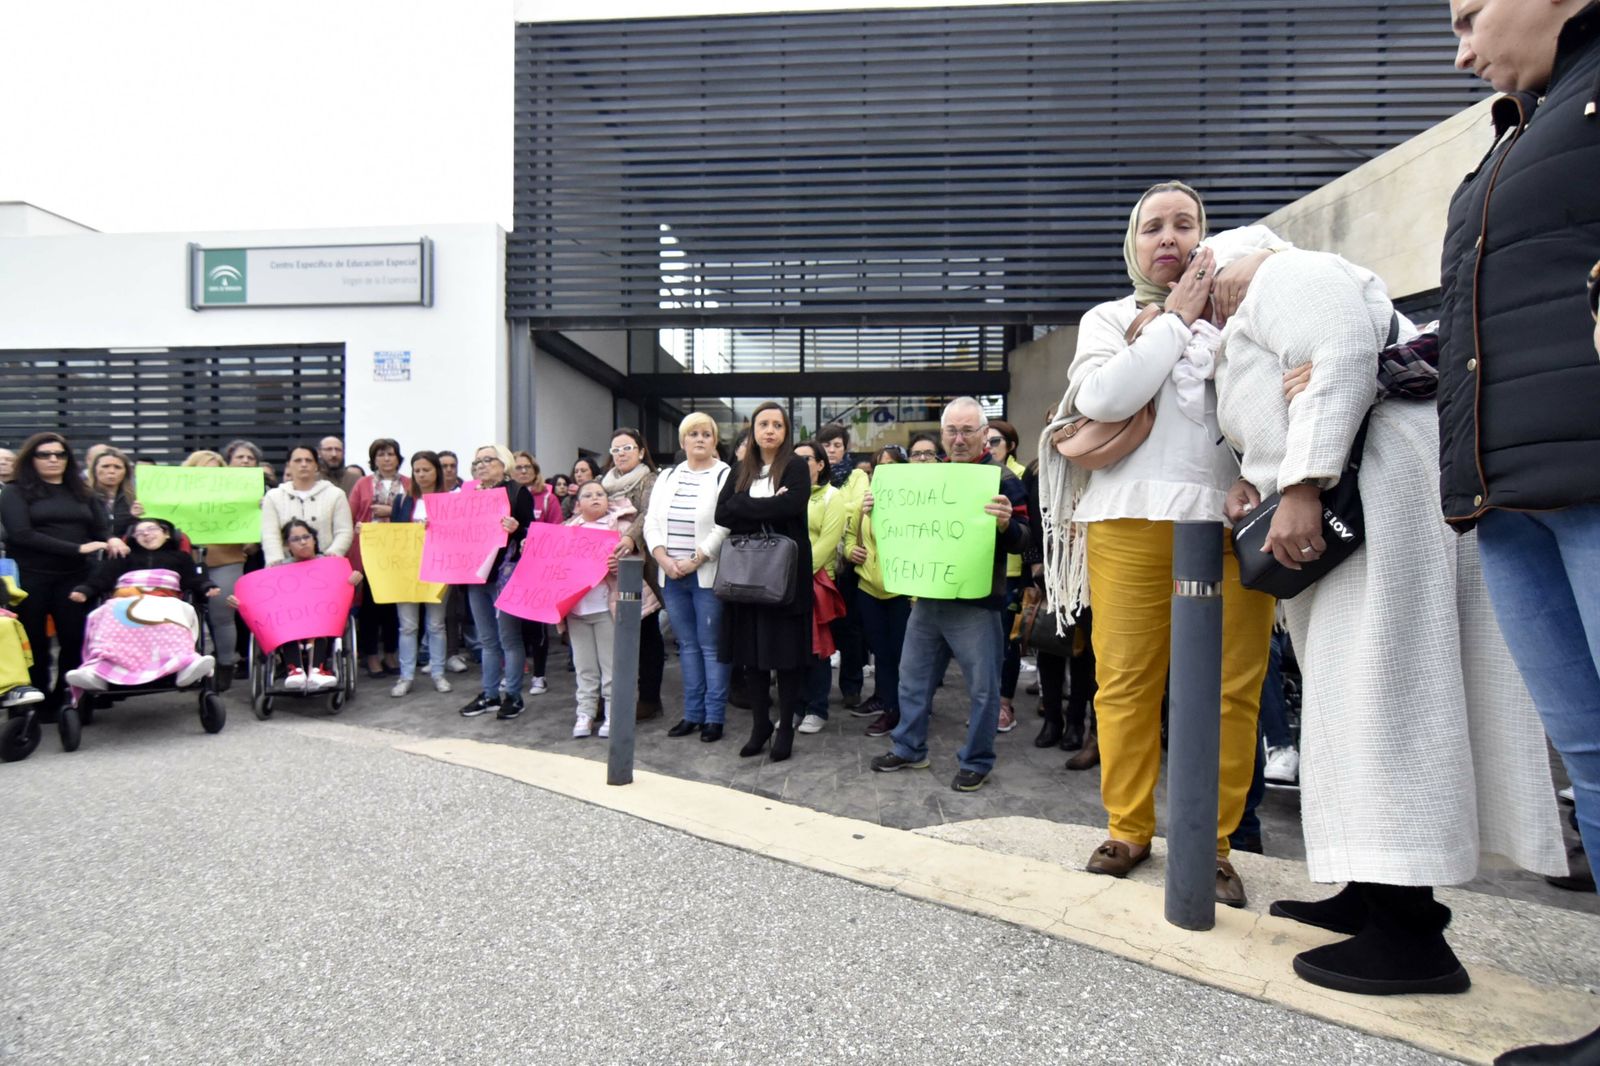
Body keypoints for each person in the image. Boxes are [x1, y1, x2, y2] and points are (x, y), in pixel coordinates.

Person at [1210, 222, 1566, 995]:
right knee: (1350, 705)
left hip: (1372, 509)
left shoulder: (1284, 274)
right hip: (1357, 511)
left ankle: (1410, 936)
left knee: (1385, 696)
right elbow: (1300, 390)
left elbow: (1337, 349)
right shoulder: (1245, 320)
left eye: (1203, 254)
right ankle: (1372, 894)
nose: (1188, 263)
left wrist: (1301, 482)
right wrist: (1257, 477)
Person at [1036, 181, 1275, 903]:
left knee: (1234, 692)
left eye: (1184, 224)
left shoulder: (1248, 310)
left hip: (1233, 523)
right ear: (1133, 245)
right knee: (1128, 684)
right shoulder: (1109, 317)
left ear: (1206, 237)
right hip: (1127, 518)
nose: (1167, 238)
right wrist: (1174, 318)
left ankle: (1216, 845)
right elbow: (1105, 400)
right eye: (1151, 228)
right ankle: (1129, 826)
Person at [1438, 4, 1600, 1057]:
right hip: (1507, 493)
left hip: (1587, 469)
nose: (1460, 50)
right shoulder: (1516, 132)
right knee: (1589, 754)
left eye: (1468, 15)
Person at [868, 397, 1030, 793]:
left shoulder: (1004, 480)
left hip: (977, 604)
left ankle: (976, 761)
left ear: (983, 435)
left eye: (967, 431)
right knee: (912, 680)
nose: (958, 439)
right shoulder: (925, 477)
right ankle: (909, 747)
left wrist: (1008, 524)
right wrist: (877, 508)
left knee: (982, 689)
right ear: (942, 435)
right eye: (951, 431)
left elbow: (1025, 539)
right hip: (928, 598)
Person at [0, 433, 128, 714]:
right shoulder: (15, 491)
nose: (53, 459)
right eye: (44, 455)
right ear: (31, 459)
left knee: (75, 638)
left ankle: (69, 697)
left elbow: (101, 529)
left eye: (59, 454)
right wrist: (78, 547)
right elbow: (21, 534)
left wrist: (113, 539)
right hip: (31, 576)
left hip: (75, 576)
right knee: (33, 642)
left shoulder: (82, 491)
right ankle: (35, 701)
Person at [715, 401, 812, 761]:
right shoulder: (740, 468)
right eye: (763, 424)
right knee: (752, 657)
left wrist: (746, 506)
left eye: (777, 425)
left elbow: (791, 508)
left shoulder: (796, 467)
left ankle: (785, 725)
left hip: (784, 577)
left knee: (784, 657)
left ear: (786, 432)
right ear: (753, 431)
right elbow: (722, 513)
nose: (770, 430)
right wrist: (768, 503)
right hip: (746, 578)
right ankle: (760, 725)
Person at [645, 413, 732, 742]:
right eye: (692, 434)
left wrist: (697, 558)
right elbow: (652, 521)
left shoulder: (724, 474)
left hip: (706, 573)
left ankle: (714, 716)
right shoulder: (667, 476)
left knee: (711, 647)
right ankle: (692, 714)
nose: (699, 439)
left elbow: (726, 523)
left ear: (714, 440)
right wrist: (663, 558)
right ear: (682, 442)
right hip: (672, 574)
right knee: (687, 646)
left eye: (706, 434)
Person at [230, 518, 363, 691]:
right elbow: (264, 601)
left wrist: (354, 582)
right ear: (287, 546)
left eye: (306, 537)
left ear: (314, 539)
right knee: (285, 622)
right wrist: (242, 602)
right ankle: (295, 670)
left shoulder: (331, 564)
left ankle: (318, 670)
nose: (302, 542)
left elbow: (346, 595)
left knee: (319, 619)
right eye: (295, 539)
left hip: (324, 621)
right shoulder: (278, 570)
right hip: (290, 624)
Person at [458, 444, 535, 721]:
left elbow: (532, 534)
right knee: (487, 639)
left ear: (504, 463)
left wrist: (518, 530)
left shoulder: (517, 492)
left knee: (509, 639)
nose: (480, 465)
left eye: (487, 460)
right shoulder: (468, 495)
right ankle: (490, 693)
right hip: (476, 574)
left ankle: (513, 695)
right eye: (477, 461)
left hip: (506, 574)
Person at [845, 444, 914, 739]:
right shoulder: (867, 500)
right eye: (879, 467)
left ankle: (900, 711)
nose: (885, 471)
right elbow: (851, 537)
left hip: (902, 592)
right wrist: (851, 552)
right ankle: (888, 705)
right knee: (882, 654)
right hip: (869, 589)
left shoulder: (915, 502)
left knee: (902, 656)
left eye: (892, 465)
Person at [602, 428, 665, 721]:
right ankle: (617, 695)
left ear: (641, 451)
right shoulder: (604, 484)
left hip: (641, 566)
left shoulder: (649, 479)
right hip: (608, 570)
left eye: (627, 448)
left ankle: (650, 697)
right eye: (615, 449)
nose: (621, 454)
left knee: (646, 632)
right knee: (614, 636)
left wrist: (629, 539)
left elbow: (648, 513)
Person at [562, 481, 630, 737]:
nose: (595, 498)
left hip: (606, 608)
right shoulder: (566, 530)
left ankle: (613, 714)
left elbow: (637, 563)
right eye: (587, 495)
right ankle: (585, 713)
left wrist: (618, 565)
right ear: (578, 503)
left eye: (600, 494)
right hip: (576, 610)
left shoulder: (620, 528)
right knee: (584, 667)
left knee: (611, 667)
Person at [814, 423, 870, 710]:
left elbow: (859, 507)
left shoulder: (857, 475)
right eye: (826, 445)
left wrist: (831, 513)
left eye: (837, 444)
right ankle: (816, 691)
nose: (832, 449)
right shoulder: (811, 475)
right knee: (819, 627)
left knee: (850, 628)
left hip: (846, 564)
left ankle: (851, 686)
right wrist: (841, 512)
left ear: (845, 447)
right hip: (819, 565)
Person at [794, 440, 847, 734]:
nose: (800, 465)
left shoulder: (832, 497)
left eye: (806, 459)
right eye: (795, 460)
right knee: (792, 647)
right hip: (788, 580)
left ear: (820, 464)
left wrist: (797, 574)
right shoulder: (789, 494)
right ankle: (796, 706)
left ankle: (817, 708)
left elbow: (827, 543)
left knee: (818, 648)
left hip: (816, 580)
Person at [389, 451, 452, 697]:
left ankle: (438, 673)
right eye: (417, 470)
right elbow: (392, 536)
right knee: (407, 626)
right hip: (407, 570)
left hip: (438, 568)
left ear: (436, 471)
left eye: (426, 469)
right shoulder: (402, 501)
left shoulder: (448, 500)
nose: (422, 474)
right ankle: (406, 676)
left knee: (436, 624)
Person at [346, 438, 409, 678]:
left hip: (400, 554)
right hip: (369, 554)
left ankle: (391, 653)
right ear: (373, 459)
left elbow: (415, 511)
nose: (386, 459)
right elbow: (351, 516)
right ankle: (371, 655)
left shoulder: (408, 484)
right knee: (371, 607)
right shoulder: (362, 484)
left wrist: (391, 511)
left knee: (394, 607)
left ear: (398, 457)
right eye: (381, 454)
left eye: (391, 454)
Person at [986, 419, 1027, 733]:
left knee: (1006, 642)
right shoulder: (967, 473)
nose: (990, 446)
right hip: (980, 573)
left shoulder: (1019, 475)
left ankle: (1004, 703)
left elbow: (1029, 532)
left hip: (1011, 574)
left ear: (1010, 445)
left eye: (996, 440)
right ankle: (987, 705)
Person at [261, 444, 354, 565]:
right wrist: (276, 561)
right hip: (285, 566)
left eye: (308, 460)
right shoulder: (273, 497)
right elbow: (270, 534)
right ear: (289, 466)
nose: (303, 464)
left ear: (316, 466)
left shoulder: (335, 494)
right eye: (298, 460)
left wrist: (333, 554)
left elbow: (344, 531)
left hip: (326, 563)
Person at [87, 446, 141, 537]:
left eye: (117, 467)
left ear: (126, 472)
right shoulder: (83, 496)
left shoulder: (134, 499)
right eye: (105, 466)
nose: (111, 471)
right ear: (94, 470)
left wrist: (134, 517)